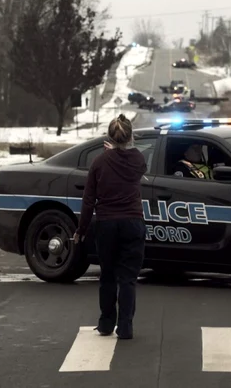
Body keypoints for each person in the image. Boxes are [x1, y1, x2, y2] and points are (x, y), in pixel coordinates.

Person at [73, 114, 148, 339]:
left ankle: (106, 323)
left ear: (109, 137)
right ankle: (125, 327)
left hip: (106, 224)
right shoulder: (139, 161)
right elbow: (128, 163)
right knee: (128, 278)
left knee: (107, 276)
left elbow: (88, 201)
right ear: (131, 136)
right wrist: (115, 152)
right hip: (133, 224)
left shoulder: (99, 162)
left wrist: (81, 230)